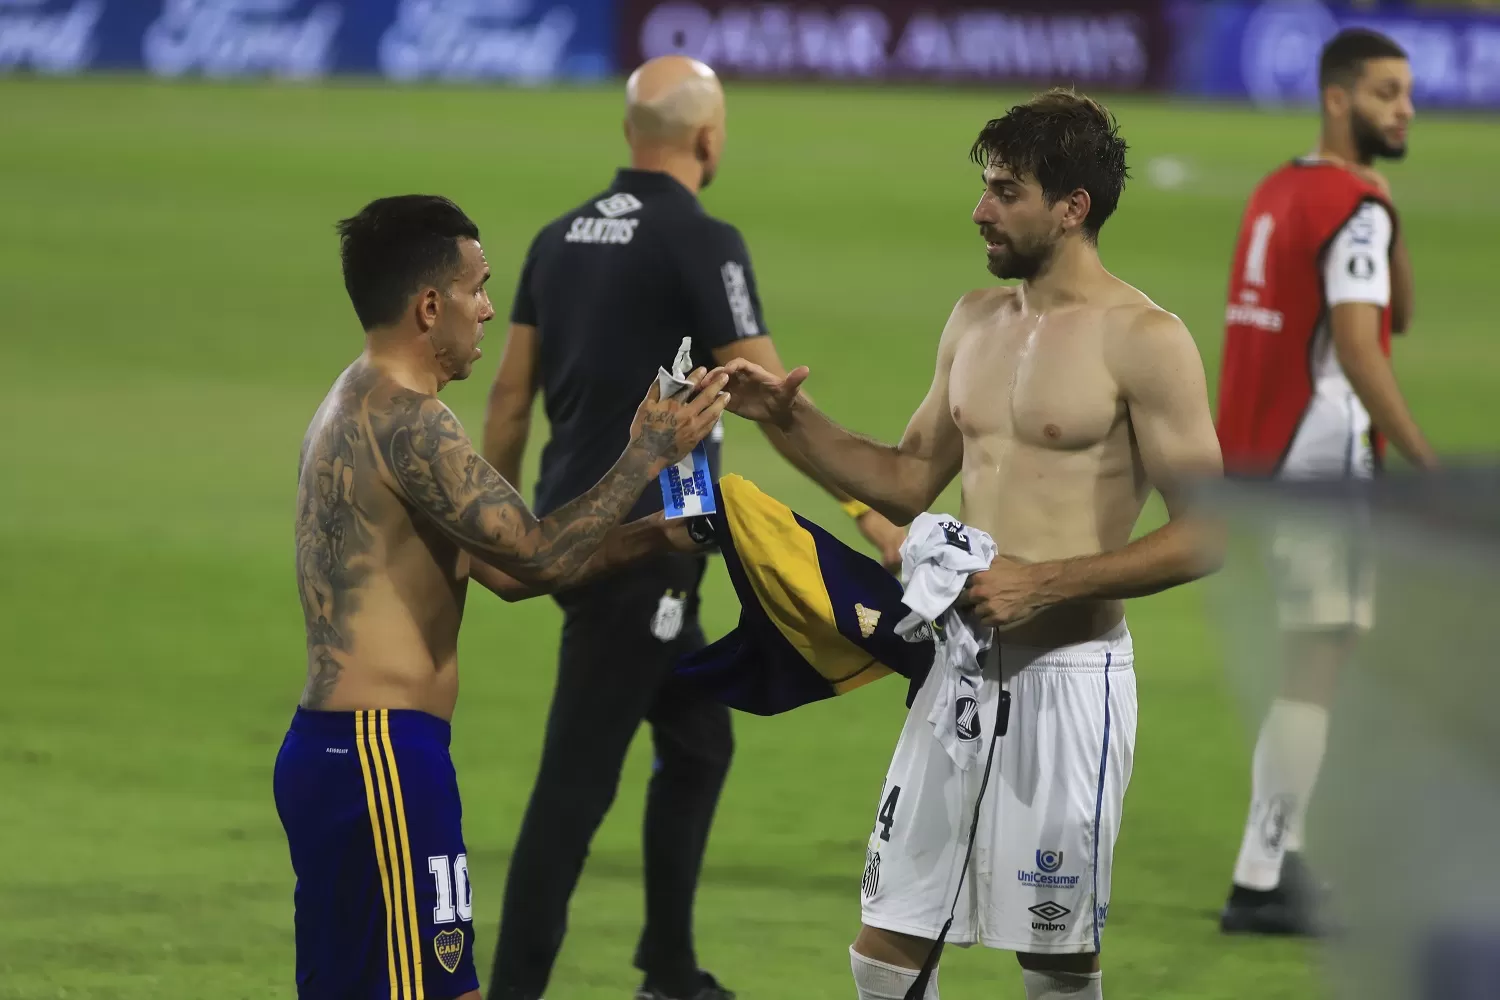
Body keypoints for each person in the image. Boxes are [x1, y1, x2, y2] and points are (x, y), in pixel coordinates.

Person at [709, 89, 1223, 1000]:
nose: (981, 210)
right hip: (956, 675)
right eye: (986, 186)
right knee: (885, 951)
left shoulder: (1145, 341)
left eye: (1007, 191)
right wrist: (788, 422)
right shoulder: (974, 320)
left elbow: (1210, 534)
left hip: (1070, 691)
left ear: (1074, 207)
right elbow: (909, 477)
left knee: (1055, 965)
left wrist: (1042, 583)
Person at [480, 55, 903, 1000]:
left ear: (632, 133)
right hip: (640, 551)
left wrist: (500, 528)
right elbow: (769, 400)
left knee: (701, 739)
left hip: (574, 529)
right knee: (573, 790)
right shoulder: (701, 240)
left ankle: (668, 970)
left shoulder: (557, 238)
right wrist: (872, 514)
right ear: (708, 138)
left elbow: (509, 401)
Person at [272, 193, 728, 1000]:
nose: (488, 309)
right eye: (478, 288)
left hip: (337, 752)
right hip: (382, 758)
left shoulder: (358, 401)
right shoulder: (412, 422)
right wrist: (645, 454)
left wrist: (654, 536)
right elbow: (541, 556)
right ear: (428, 304)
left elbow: (509, 573)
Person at [1214, 28, 1436, 936]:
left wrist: (1385, 211)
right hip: (1324, 460)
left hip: (1262, 460)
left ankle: (1274, 860)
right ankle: (1265, 874)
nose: (1405, 110)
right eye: (1386, 93)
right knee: (1320, 657)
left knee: (1313, 655)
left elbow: (1400, 312)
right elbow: (1361, 345)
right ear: (1338, 98)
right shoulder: (1354, 209)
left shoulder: (1284, 188)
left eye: (1408, 94)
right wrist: (1422, 462)